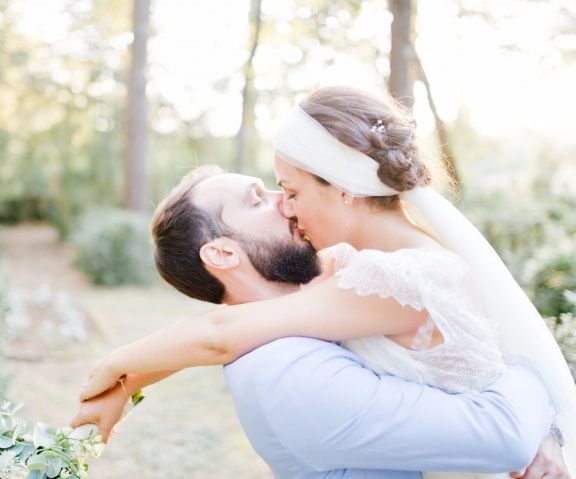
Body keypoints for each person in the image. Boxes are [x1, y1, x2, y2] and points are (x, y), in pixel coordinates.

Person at [74, 87, 574, 477]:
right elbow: (226, 330)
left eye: (289, 190)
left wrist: (120, 369)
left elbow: (220, 334)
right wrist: (128, 382)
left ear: (342, 189)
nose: (285, 206)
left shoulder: (389, 277)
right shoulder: (304, 341)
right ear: (222, 252)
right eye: (267, 196)